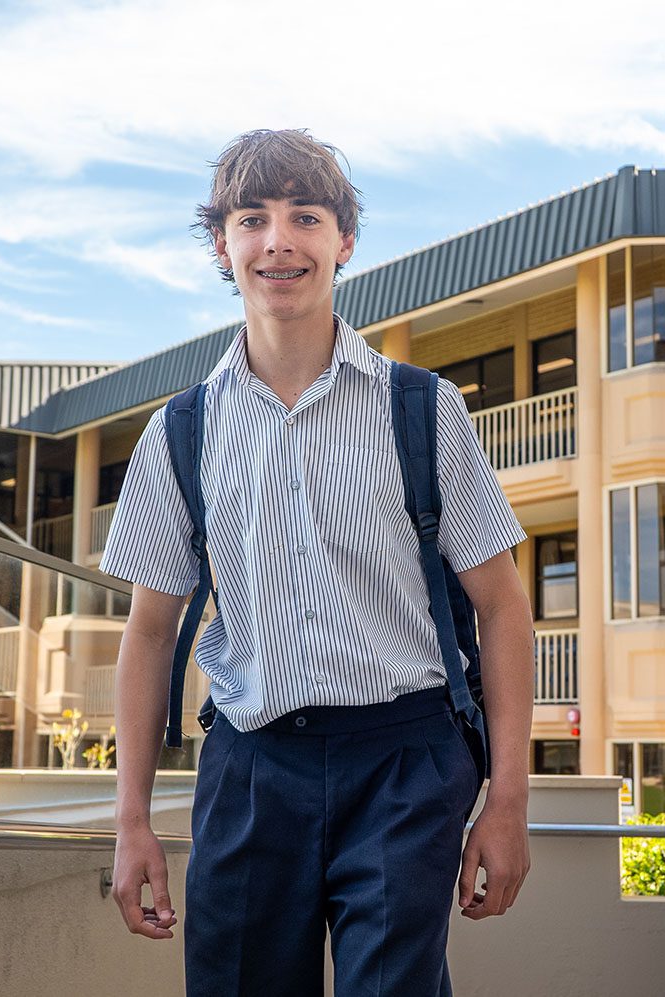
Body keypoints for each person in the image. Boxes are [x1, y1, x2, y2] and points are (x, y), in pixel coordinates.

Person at [99, 129, 534, 995]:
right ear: (221, 245)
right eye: (251, 218)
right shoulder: (179, 432)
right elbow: (148, 636)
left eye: (305, 215)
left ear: (344, 240)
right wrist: (131, 820)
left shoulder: (424, 409)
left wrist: (510, 801)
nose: (278, 240)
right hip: (252, 767)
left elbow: (501, 608)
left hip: (405, 760)